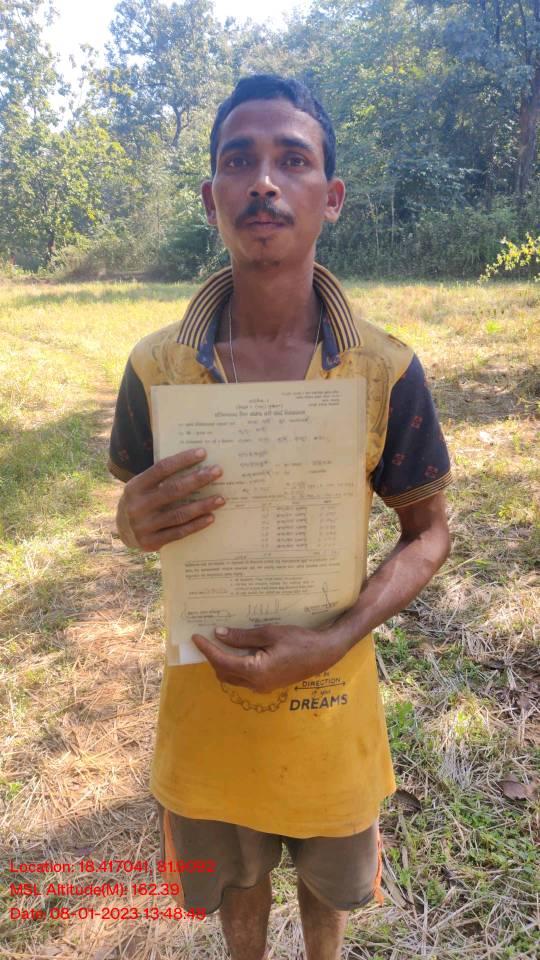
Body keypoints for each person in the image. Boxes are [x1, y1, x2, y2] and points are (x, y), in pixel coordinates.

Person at [108, 74, 452, 960]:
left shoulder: (383, 370)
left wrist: (333, 639)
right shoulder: (156, 369)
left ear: (330, 197)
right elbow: (134, 517)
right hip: (207, 712)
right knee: (236, 887)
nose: (263, 181)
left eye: (291, 160)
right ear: (211, 197)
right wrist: (129, 522)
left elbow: (430, 533)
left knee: (328, 893)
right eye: (239, 161)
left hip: (332, 706)